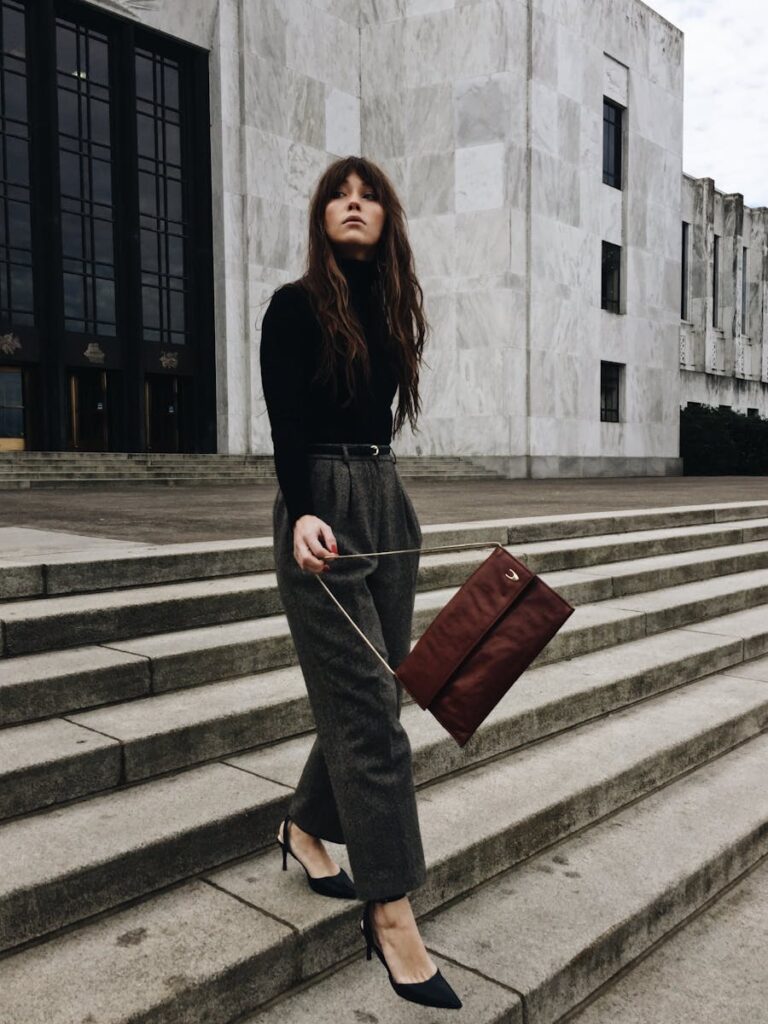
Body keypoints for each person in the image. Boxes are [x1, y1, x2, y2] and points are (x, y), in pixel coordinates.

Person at [259, 156, 462, 1010]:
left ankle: (305, 824)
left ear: (387, 220)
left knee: (375, 690)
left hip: (385, 498)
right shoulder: (293, 306)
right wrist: (304, 509)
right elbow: (285, 423)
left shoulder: (387, 312)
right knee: (374, 723)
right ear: (322, 217)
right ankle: (391, 911)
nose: (353, 204)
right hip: (325, 512)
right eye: (339, 196)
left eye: (367, 194)